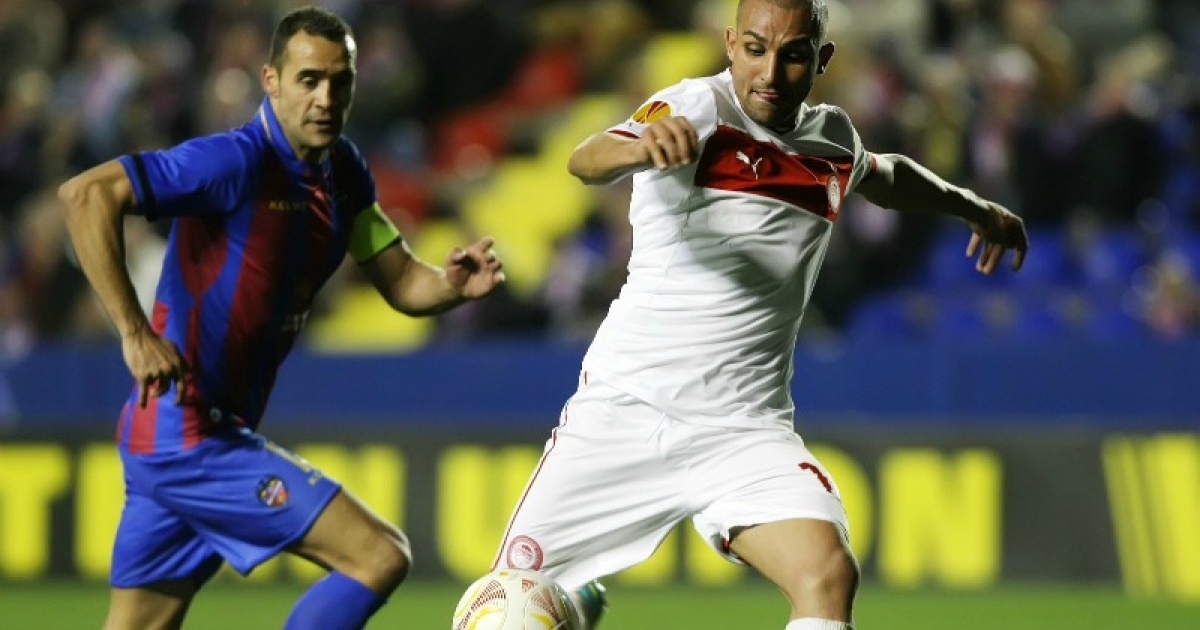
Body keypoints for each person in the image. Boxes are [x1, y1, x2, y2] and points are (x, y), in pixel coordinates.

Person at [487, 1, 1027, 629]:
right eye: (754, 49)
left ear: (821, 60)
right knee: (505, 608)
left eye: (793, 55)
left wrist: (975, 209)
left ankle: (576, 601)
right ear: (730, 44)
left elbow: (885, 176)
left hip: (743, 429)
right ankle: (575, 602)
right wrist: (640, 145)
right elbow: (586, 157)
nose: (770, 72)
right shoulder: (696, 107)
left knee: (826, 572)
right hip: (626, 410)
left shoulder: (832, 140)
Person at [58, 6, 505, 630]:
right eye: (308, 80)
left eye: (339, 82)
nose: (325, 98)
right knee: (378, 556)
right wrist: (134, 333)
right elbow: (85, 194)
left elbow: (403, 280)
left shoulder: (342, 173)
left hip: (170, 436)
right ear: (270, 80)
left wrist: (452, 283)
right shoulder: (232, 163)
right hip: (192, 434)